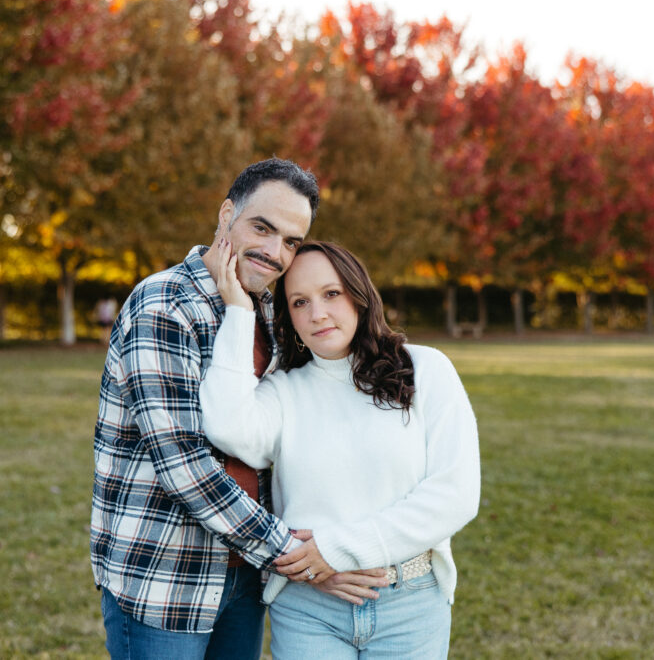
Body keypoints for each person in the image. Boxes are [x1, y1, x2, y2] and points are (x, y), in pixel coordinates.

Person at [91, 158, 384, 660]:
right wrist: (303, 557)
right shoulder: (164, 306)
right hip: (166, 578)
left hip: (246, 575)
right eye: (262, 228)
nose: (275, 252)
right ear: (227, 213)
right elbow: (184, 469)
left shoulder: (270, 310)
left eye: (291, 241)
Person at [200, 239, 481, 658]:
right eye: (299, 302)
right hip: (308, 608)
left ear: (359, 294)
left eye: (331, 293)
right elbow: (226, 427)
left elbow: (455, 495)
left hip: (410, 603)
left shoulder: (427, 370)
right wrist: (239, 312)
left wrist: (337, 549)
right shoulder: (283, 392)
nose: (318, 314)